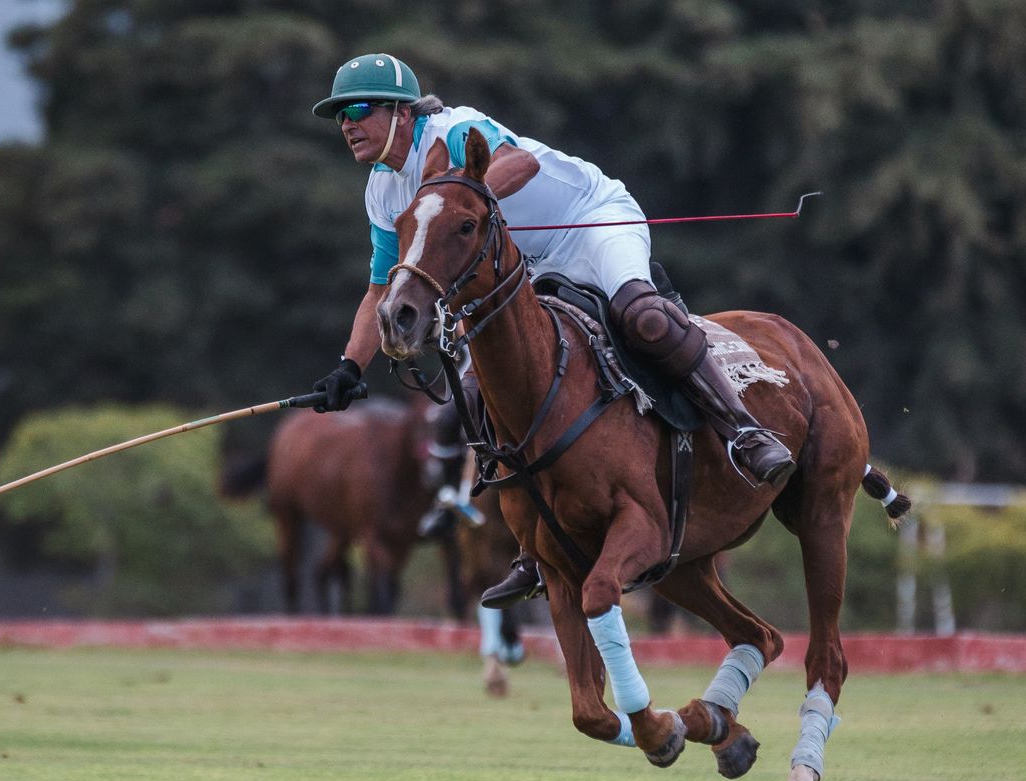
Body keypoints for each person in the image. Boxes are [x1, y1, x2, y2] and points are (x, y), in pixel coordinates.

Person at [309, 53, 795, 608]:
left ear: (402, 113)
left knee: (645, 316)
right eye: (339, 115)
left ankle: (744, 433)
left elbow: (520, 163)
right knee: (481, 384)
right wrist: (349, 366)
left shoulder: (452, 129)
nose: (346, 124)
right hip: (524, 268)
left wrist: (466, 197)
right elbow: (380, 288)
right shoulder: (381, 190)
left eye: (359, 110)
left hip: (591, 222)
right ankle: (534, 544)